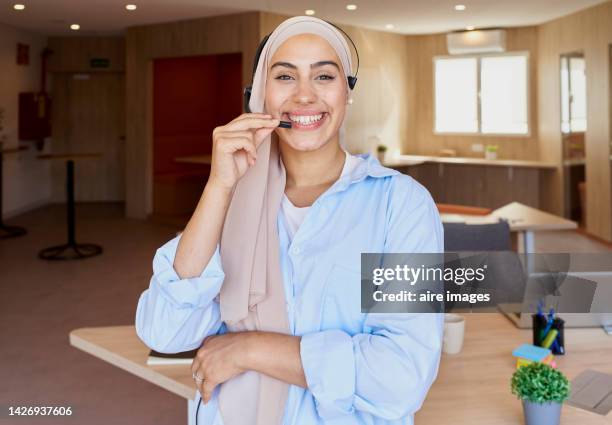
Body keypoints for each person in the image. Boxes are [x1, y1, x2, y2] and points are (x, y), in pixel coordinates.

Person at [136, 15, 444, 425]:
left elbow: (401, 378)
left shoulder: (404, 204)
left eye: (324, 76)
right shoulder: (231, 199)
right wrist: (217, 189)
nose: (304, 95)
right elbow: (165, 330)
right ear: (261, 95)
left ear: (347, 93)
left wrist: (248, 350)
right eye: (284, 76)